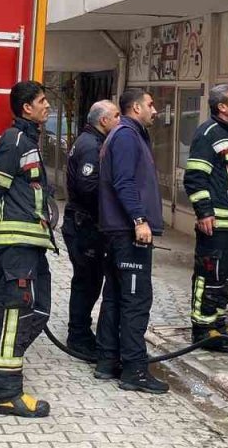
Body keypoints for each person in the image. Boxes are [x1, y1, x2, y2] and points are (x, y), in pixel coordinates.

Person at [0, 80, 55, 417]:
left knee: (38, 311)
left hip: (30, 243)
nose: (47, 106)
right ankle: (5, 395)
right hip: (17, 244)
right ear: (26, 109)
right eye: (42, 101)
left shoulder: (28, 141)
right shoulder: (14, 141)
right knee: (17, 313)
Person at [95, 89, 169, 394]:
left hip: (117, 232)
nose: (156, 109)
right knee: (135, 301)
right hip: (128, 233)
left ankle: (107, 360)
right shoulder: (126, 135)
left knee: (115, 297)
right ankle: (135, 371)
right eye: (151, 104)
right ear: (136, 108)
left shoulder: (124, 134)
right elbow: (124, 181)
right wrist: (139, 219)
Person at [182, 84, 228, 349]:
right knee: (209, 275)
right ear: (221, 107)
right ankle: (202, 330)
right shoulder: (208, 134)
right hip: (217, 223)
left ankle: (218, 325)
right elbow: (194, 176)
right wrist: (204, 212)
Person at [63, 99, 120, 361]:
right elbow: (88, 187)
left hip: (83, 222)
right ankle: (79, 337)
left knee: (89, 281)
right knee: (87, 282)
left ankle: (80, 333)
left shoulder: (91, 140)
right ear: (103, 120)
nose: (119, 120)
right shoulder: (90, 145)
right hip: (84, 225)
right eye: (116, 116)